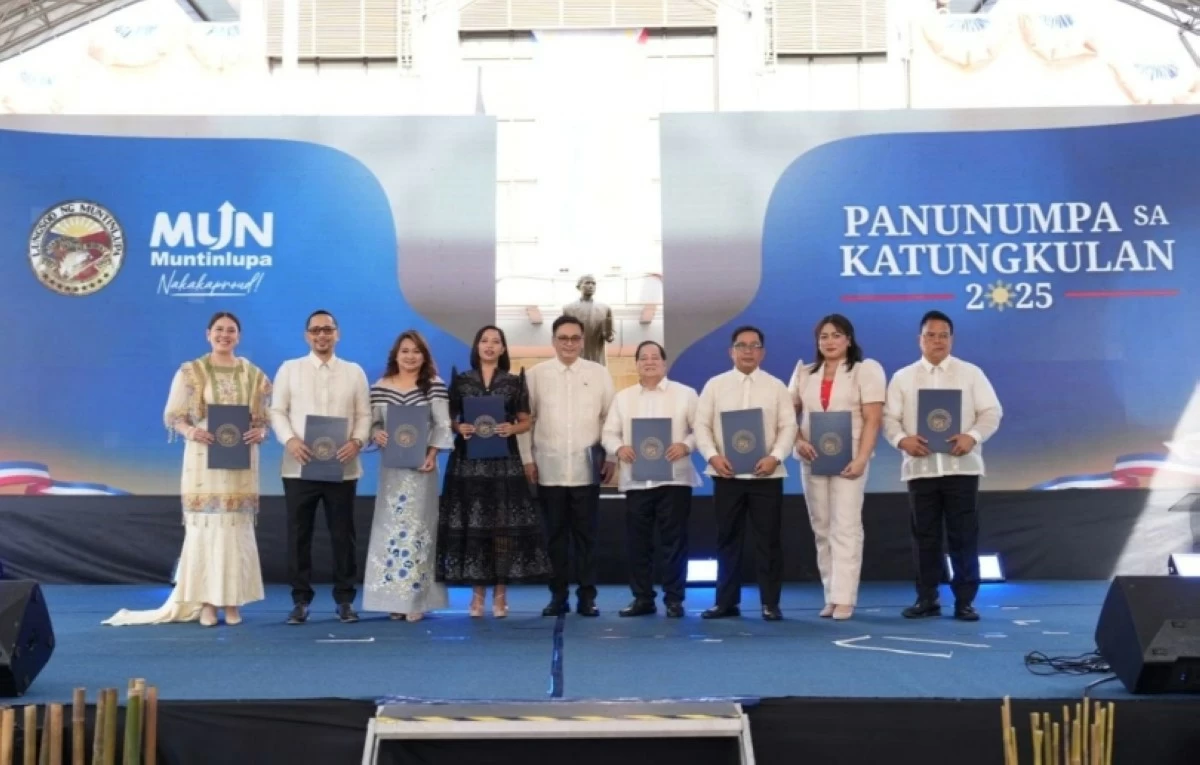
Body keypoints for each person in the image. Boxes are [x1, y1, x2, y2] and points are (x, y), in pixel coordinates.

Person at [104, 312, 270, 627]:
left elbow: (262, 420)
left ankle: (232, 603)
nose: (224, 335)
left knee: (235, 528)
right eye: (219, 329)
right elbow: (174, 416)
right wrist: (192, 432)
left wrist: (260, 432)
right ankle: (206, 602)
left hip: (239, 463)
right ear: (208, 334)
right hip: (203, 459)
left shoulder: (253, 375)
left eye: (231, 330)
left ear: (239, 336)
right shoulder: (191, 372)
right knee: (206, 528)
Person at [883, 310, 1002, 622]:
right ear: (919, 339)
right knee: (925, 537)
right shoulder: (903, 377)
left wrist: (972, 436)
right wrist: (902, 440)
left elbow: (992, 412)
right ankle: (927, 599)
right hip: (920, 469)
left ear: (952, 339)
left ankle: (965, 601)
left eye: (943, 335)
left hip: (962, 468)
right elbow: (888, 419)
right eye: (930, 335)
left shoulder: (970, 373)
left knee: (964, 536)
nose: (937, 341)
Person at [437, 325, 553, 617]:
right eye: (484, 341)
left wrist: (512, 428)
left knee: (502, 529)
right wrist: (459, 427)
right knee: (475, 527)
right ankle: (477, 596)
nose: (489, 345)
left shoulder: (514, 382)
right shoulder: (461, 381)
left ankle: (500, 596)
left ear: (503, 349)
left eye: (496, 341)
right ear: (477, 347)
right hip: (469, 464)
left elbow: (526, 421)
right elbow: (448, 419)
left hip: (504, 463)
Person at [269, 309, 371, 625]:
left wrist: (357, 441)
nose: (322, 335)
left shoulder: (354, 372)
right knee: (299, 535)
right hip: (299, 466)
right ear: (307, 336)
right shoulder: (289, 369)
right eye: (315, 330)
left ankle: (345, 600)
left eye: (327, 329)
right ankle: (300, 601)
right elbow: (276, 411)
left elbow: (365, 415)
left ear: (337, 334)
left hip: (343, 467)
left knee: (344, 536)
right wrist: (289, 440)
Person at [694, 325, 797, 621]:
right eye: (742, 345)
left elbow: (788, 427)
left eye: (754, 346)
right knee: (727, 540)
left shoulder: (776, 387)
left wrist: (775, 457)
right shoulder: (715, 385)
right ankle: (726, 602)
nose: (748, 351)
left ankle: (770, 603)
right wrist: (713, 456)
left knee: (769, 541)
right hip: (727, 477)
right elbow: (701, 425)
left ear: (762, 352)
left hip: (766, 477)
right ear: (731, 351)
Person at [789, 314, 886, 621]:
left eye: (836, 335)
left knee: (845, 526)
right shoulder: (804, 372)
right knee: (821, 527)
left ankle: (845, 597)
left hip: (849, 458)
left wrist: (861, 458)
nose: (829, 341)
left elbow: (873, 418)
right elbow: (786, 415)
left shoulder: (865, 370)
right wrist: (798, 441)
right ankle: (830, 595)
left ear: (848, 339)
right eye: (824, 336)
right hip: (812, 459)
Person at [518, 315, 616, 617]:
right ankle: (557, 596)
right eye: (563, 338)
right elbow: (525, 421)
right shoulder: (536, 375)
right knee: (555, 539)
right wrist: (527, 459)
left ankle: (587, 597)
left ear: (583, 341)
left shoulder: (599, 374)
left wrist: (611, 456)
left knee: (587, 538)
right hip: (548, 471)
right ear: (553, 341)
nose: (569, 343)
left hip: (587, 471)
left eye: (575, 338)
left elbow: (610, 419)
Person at [601, 340, 700, 618]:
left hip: (675, 480)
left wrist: (686, 446)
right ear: (636, 365)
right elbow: (608, 434)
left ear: (664, 363)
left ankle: (674, 599)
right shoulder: (623, 398)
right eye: (643, 358)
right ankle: (643, 598)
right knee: (638, 543)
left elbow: (702, 430)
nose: (649, 362)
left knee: (675, 542)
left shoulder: (686, 394)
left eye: (655, 357)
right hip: (637, 481)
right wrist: (619, 448)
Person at [363, 330, 454, 622]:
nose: (410, 356)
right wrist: (377, 434)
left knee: (418, 530)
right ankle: (393, 598)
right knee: (390, 529)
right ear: (396, 355)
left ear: (424, 356)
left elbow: (442, 425)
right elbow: (371, 425)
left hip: (422, 470)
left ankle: (416, 599)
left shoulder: (434, 386)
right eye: (405, 351)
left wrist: (432, 454)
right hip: (391, 471)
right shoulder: (380, 387)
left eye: (416, 351)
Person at [561, 274, 615, 367]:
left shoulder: (605, 308)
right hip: (577, 358)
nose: (591, 286)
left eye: (593, 283)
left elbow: (610, 337)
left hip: (597, 356)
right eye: (587, 283)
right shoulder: (568, 309)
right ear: (578, 286)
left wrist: (609, 335)